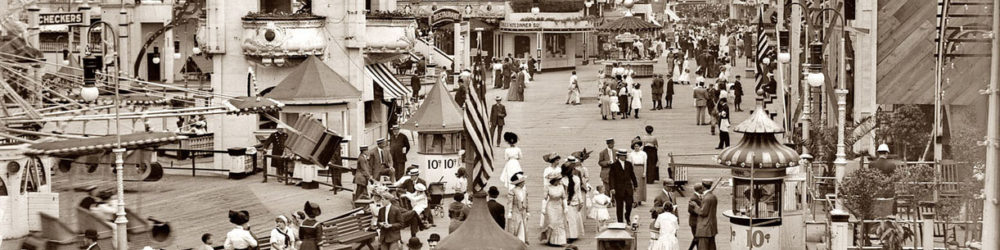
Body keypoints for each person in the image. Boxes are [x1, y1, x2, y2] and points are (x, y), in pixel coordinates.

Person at [609, 149, 638, 224]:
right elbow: (611, 177)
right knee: (619, 206)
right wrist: (612, 188)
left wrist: (635, 185)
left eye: (625, 156)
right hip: (618, 188)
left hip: (628, 188)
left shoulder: (629, 164)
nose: (624, 157)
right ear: (619, 156)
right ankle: (620, 221)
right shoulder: (614, 165)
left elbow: (632, 175)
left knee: (629, 204)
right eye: (622, 156)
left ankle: (627, 216)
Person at [542, 171, 568, 246]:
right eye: (557, 180)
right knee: (552, 222)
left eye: (559, 180)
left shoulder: (561, 187)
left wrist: (565, 207)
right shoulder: (547, 187)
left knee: (559, 223)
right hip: (551, 206)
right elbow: (545, 198)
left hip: (559, 206)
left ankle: (560, 241)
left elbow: (564, 198)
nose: (559, 181)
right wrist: (543, 208)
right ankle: (550, 239)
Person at [562, 158, 585, 241]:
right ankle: (572, 235)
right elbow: (578, 192)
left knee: (571, 219)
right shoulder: (575, 179)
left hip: (568, 202)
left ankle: (572, 235)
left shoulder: (563, 180)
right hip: (573, 202)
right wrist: (581, 201)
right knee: (573, 219)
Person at [691, 180, 719, 250]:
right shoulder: (713, 196)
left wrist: (695, 206)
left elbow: (703, 212)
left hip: (705, 228)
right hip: (711, 228)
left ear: (703, 187)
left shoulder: (707, 198)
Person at [507, 173, 529, 243]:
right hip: (515, 210)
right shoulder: (512, 191)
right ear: (519, 183)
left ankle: (522, 241)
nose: (524, 183)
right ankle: (515, 241)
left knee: (524, 226)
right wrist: (510, 211)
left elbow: (527, 201)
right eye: (523, 182)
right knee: (515, 226)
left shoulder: (524, 191)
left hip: (523, 212)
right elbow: (510, 202)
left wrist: (528, 211)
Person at [686, 185, 704, 250]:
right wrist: (699, 211)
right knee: (697, 238)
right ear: (699, 189)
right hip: (694, 222)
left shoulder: (698, 197)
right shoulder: (694, 198)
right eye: (702, 189)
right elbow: (690, 210)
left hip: (697, 222)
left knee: (696, 238)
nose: (703, 190)